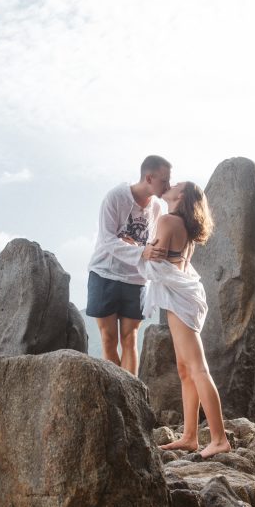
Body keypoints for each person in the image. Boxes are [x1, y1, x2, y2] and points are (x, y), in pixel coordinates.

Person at [141, 181, 231, 458]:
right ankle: (190, 436)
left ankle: (219, 438)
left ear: (180, 196)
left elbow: (153, 263)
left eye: (175, 184)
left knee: (197, 368)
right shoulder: (184, 227)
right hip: (182, 297)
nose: (170, 184)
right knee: (184, 369)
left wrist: (142, 251)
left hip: (180, 299)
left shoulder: (168, 221)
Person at [86, 155, 171, 375]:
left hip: (136, 278)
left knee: (130, 338)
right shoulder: (115, 197)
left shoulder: (156, 209)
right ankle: (115, 391)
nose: (168, 186)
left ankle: (130, 394)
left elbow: (151, 244)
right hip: (104, 273)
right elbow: (107, 239)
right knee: (108, 338)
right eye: (164, 181)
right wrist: (141, 250)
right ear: (149, 178)